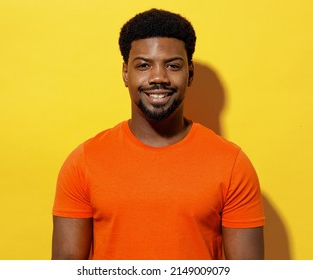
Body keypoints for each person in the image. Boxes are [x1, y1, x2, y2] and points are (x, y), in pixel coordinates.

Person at [52, 8, 264, 260]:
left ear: (190, 73)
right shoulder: (84, 161)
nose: (158, 77)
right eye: (143, 65)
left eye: (173, 65)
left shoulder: (232, 164)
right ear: (125, 73)